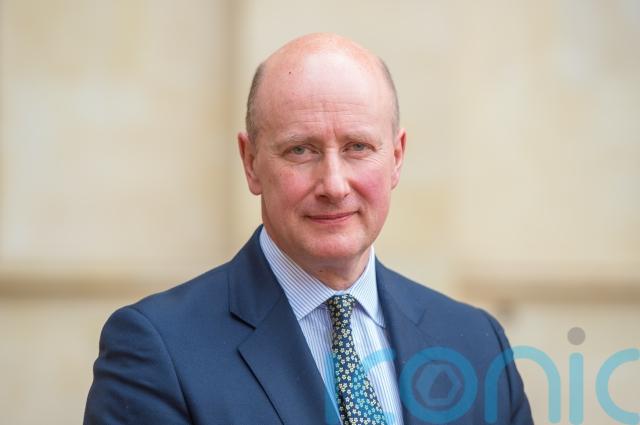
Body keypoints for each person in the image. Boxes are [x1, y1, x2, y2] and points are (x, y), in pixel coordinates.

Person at [84, 33, 533, 425]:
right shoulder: (157, 350)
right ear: (251, 162)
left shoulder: (478, 343)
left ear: (396, 157)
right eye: (301, 150)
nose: (334, 185)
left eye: (358, 147)